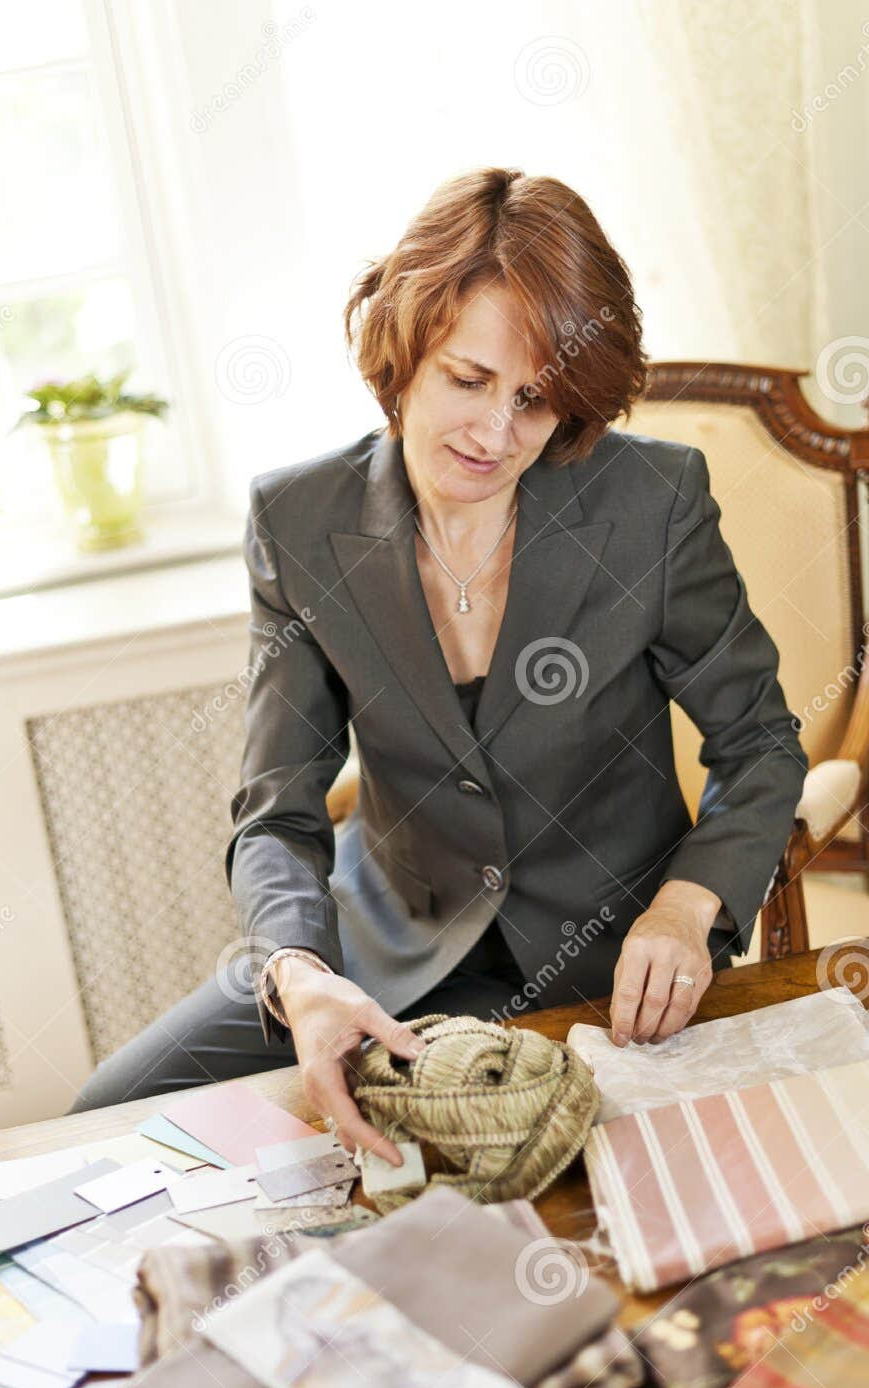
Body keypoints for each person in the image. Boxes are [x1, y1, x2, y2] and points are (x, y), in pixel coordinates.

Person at [69, 167, 808, 1166]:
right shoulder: (299, 523)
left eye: (535, 401)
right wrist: (298, 971)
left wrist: (686, 908)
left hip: (613, 965)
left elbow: (757, 740)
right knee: (107, 1117)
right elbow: (275, 813)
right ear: (401, 348)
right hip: (381, 960)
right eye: (468, 380)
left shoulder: (651, 504)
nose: (496, 435)